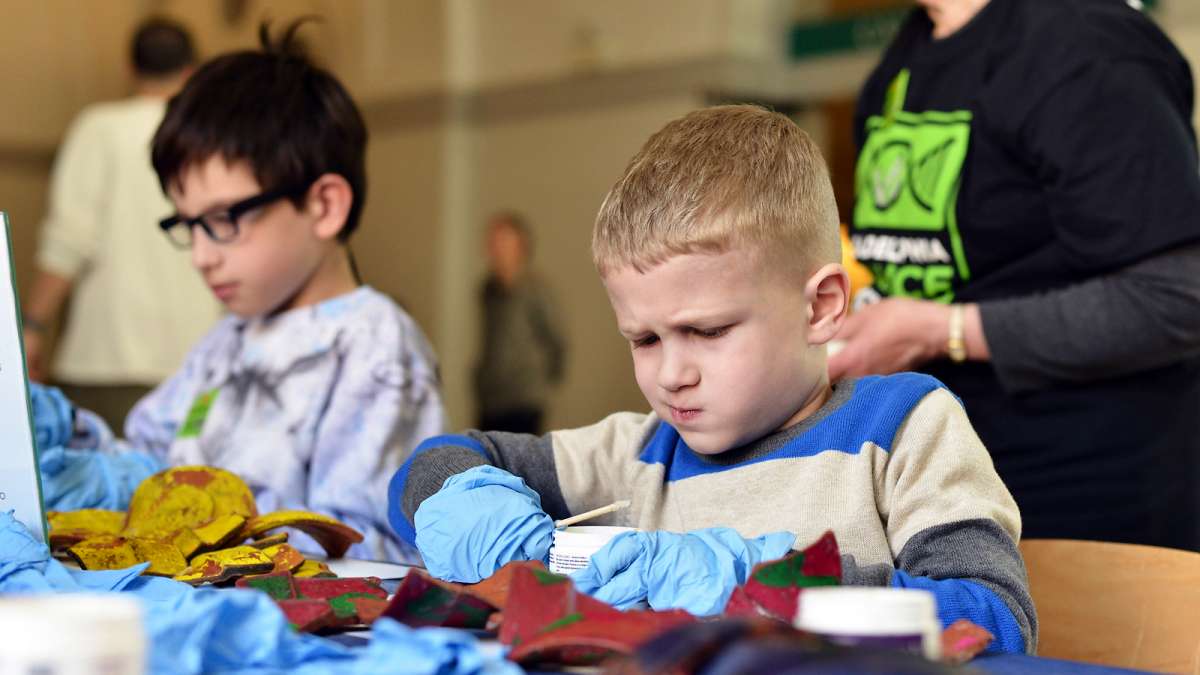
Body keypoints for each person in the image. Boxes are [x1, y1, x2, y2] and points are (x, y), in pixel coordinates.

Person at [388, 105, 1036, 654]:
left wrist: (767, 583)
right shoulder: (641, 451)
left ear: (820, 305)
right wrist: (504, 530)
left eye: (709, 331)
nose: (672, 374)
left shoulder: (905, 427)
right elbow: (434, 464)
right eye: (644, 338)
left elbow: (995, 620)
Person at [36, 20, 448, 562]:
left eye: (223, 219)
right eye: (188, 225)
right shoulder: (224, 343)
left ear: (323, 206)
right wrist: (59, 434)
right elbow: (150, 467)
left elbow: (365, 551)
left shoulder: (376, 349)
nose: (202, 255)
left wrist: (208, 526)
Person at [830, 0, 1200, 550]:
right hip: (952, 492)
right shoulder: (904, 58)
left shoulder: (1084, 43)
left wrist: (939, 330)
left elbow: (1179, 296)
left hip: (1094, 504)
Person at [22, 18, 223, 432]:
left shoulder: (99, 128)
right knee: (195, 484)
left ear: (131, 69)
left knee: (105, 487)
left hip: (105, 361)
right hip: (199, 367)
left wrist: (33, 327)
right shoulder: (213, 136)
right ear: (192, 71)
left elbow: (69, 240)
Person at [474, 211, 566, 434]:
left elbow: (556, 341)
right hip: (491, 398)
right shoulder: (487, 290)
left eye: (504, 242)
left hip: (524, 399)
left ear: (520, 247)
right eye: (493, 243)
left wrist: (538, 381)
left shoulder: (536, 292)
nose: (496, 250)